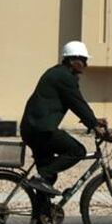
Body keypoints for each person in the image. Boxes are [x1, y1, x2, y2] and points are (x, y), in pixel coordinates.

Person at [20, 40, 105, 197]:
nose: (85, 65)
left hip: (33, 129)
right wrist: (94, 125)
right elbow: (77, 103)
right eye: (83, 60)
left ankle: (41, 218)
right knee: (77, 151)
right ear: (72, 60)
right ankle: (40, 176)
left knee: (48, 179)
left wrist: (93, 120)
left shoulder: (58, 73)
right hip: (40, 130)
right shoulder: (63, 77)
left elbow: (74, 103)